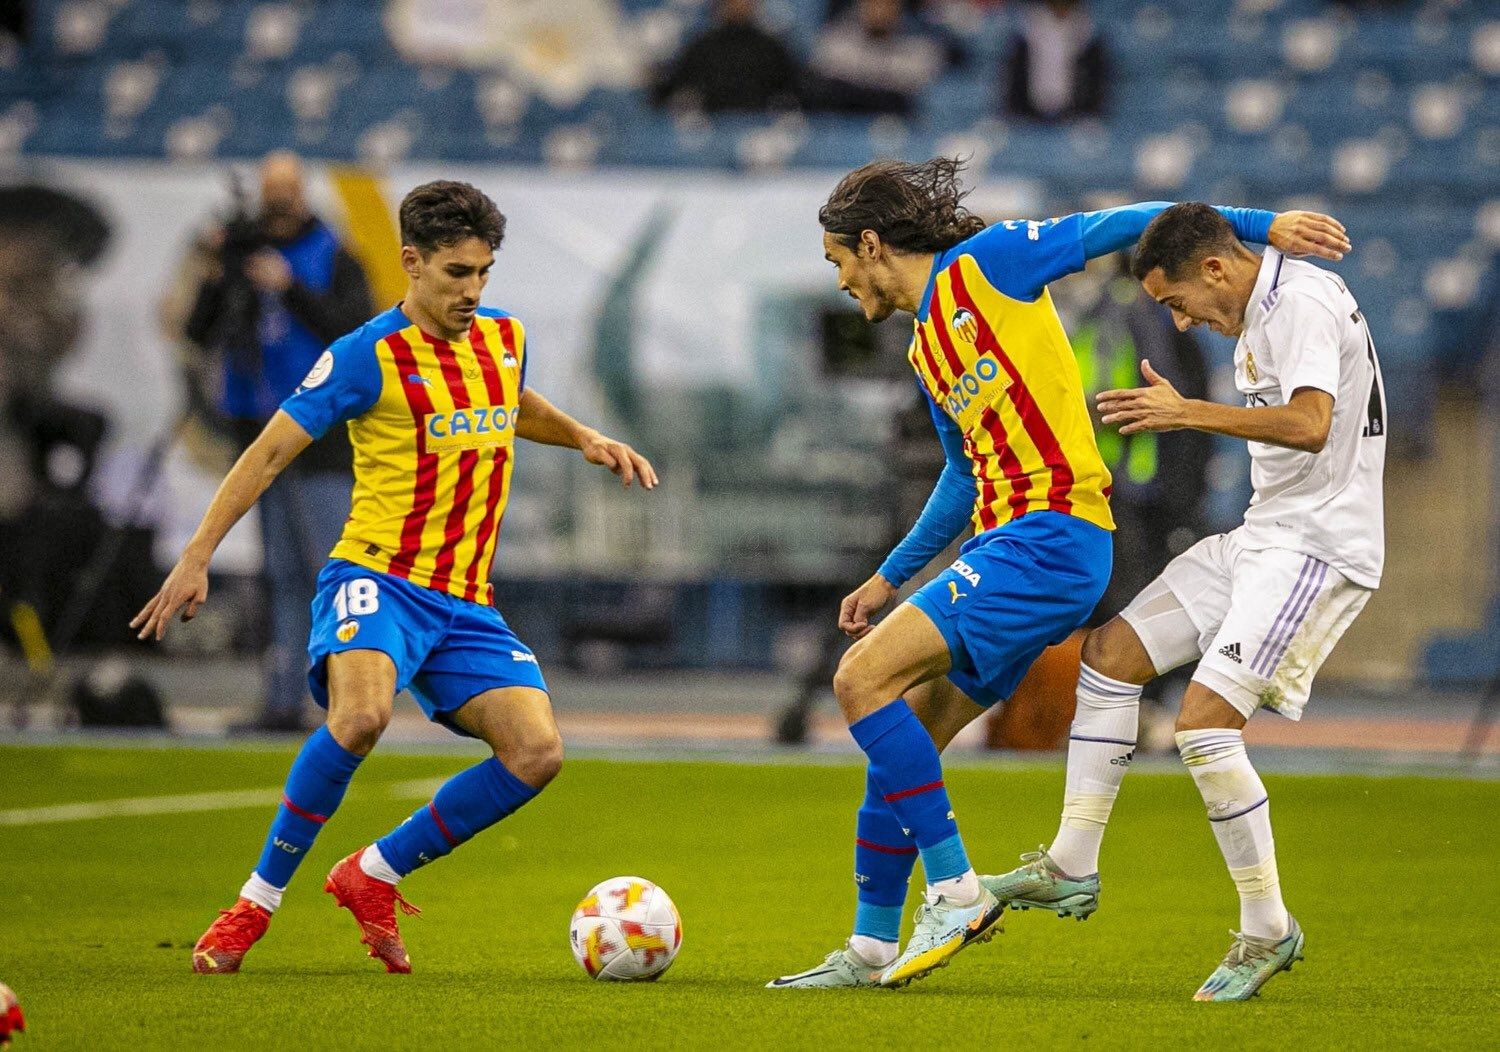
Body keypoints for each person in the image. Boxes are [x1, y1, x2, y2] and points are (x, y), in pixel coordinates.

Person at [767, 158, 1350, 990]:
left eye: (837, 261)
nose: (839, 281)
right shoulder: (928, 345)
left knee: (859, 680)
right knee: (905, 741)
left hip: (1051, 537)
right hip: (1007, 546)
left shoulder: (990, 263)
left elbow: (1129, 222)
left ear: (870, 243)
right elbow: (963, 474)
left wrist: (1260, 225)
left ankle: (958, 893)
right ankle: (869, 948)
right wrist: (889, 577)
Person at [133, 181, 658, 974]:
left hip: (465, 602)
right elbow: (268, 453)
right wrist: (198, 555)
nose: (472, 291)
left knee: (536, 752)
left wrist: (583, 435)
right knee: (361, 718)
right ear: (412, 263)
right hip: (378, 577)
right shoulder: (365, 356)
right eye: (456, 273)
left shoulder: (504, 338)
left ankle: (373, 873)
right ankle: (253, 905)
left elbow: (511, 402)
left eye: (483, 272)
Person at [985, 202, 1382, 1002]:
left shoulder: (1300, 305)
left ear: (1215, 270)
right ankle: (1071, 862)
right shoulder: (1263, 298)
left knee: (1203, 728)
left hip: (1316, 550)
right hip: (1264, 536)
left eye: (1177, 302)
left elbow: (1312, 424)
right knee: (1110, 656)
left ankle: (1267, 929)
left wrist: (1184, 413)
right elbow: (1192, 224)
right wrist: (1263, 223)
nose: (1181, 321)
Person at [184, 151, 375, 732]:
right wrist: (218, 274)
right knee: (282, 575)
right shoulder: (241, 257)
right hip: (260, 434)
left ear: (303, 193)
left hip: (322, 442)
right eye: (271, 191)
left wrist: (288, 287)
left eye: (286, 190)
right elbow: (199, 332)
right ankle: (283, 699)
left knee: (331, 571)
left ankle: (348, 700)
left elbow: (355, 332)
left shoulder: (335, 255)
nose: (278, 203)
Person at [651, 0, 802, 114]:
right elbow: (667, 90)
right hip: (711, 132)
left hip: (758, 132)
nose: (738, 4)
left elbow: (798, 89)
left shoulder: (770, 48)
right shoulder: (702, 47)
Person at [805, 0, 944, 116]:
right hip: (840, 124)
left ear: (899, 6)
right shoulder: (835, 44)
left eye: (887, 3)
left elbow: (915, 100)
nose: (879, 9)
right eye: (872, 2)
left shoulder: (921, 49)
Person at [1004, 0, 1110, 123]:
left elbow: (1095, 78)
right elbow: (1014, 74)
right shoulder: (1030, 25)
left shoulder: (1086, 27)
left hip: (1075, 114)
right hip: (1029, 112)